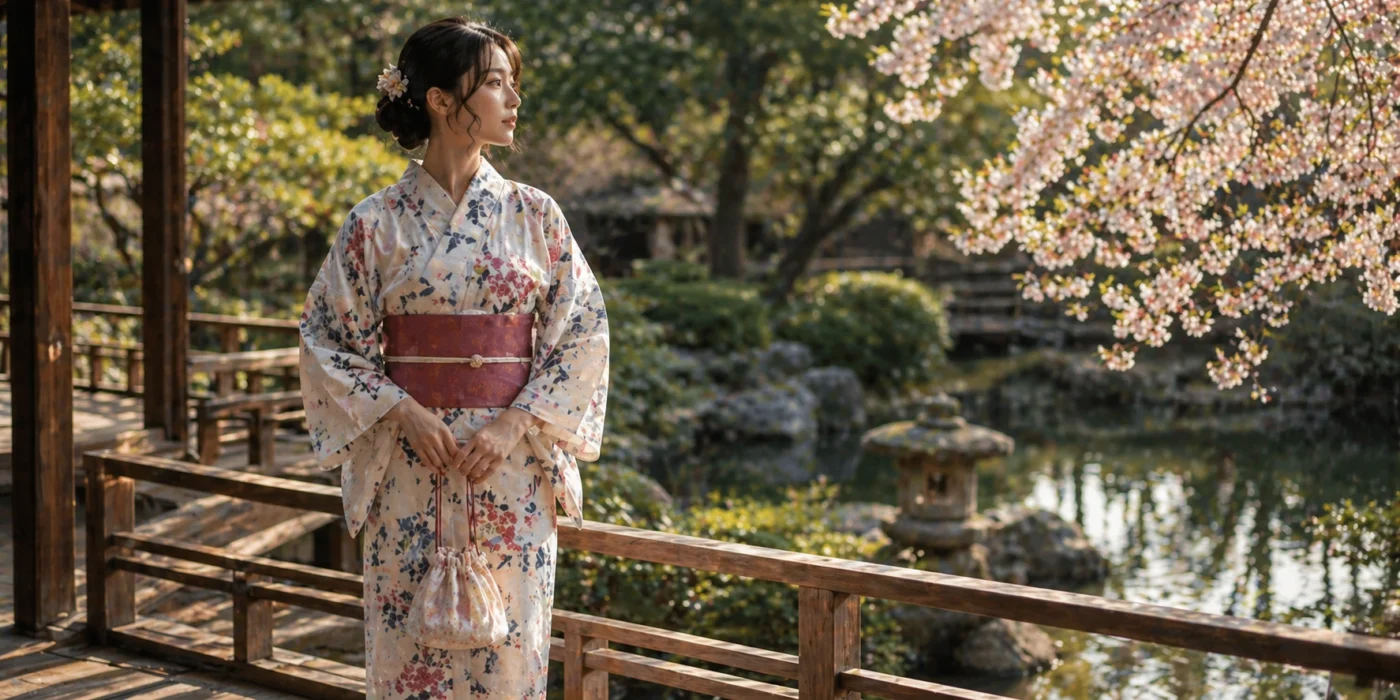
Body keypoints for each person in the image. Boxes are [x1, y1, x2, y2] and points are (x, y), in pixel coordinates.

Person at [297, 17, 609, 698]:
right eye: (496, 83)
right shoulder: (374, 223)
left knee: (513, 651)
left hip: (512, 468)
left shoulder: (537, 215)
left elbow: (582, 333)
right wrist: (401, 410)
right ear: (441, 100)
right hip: (410, 462)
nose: (513, 99)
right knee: (405, 650)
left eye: (511, 83)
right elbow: (324, 338)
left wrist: (511, 423)